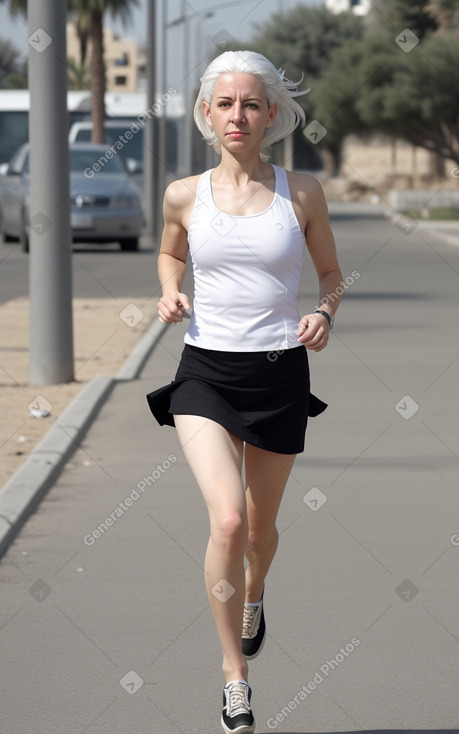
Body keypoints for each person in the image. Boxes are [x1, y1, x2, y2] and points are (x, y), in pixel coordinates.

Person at [146, 50, 343, 734]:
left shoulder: (302, 192)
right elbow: (171, 251)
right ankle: (236, 676)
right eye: (224, 103)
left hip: (279, 373)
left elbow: (331, 276)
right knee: (226, 522)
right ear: (207, 112)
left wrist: (323, 312)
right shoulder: (183, 193)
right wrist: (171, 290)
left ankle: (254, 590)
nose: (238, 114)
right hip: (205, 374)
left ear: (270, 115)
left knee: (259, 531)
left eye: (250, 103)